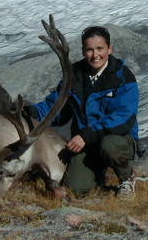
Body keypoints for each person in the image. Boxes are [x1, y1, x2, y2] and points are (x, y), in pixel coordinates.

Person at [27, 26, 139, 198]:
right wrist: (33, 112)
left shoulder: (122, 76)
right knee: (75, 189)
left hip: (117, 138)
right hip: (86, 143)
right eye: (89, 50)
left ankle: (127, 178)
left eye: (100, 49)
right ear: (83, 51)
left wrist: (87, 135)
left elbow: (123, 118)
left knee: (109, 145)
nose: (95, 55)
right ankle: (98, 176)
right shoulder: (74, 75)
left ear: (110, 49)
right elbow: (58, 106)